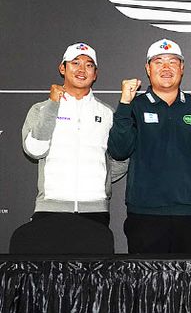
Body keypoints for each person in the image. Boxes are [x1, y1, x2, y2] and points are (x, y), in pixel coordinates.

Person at [108, 39, 191, 253]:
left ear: (182, 68)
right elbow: (119, 150)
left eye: (172, 62)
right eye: (158, 62)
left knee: (189, 276)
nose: (166, 67)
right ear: (148, 69)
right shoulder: (134, 106)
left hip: (190, 213)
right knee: (145, 276)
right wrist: (124, 105)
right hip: (145, 214)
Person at [22, 42, 127, 228]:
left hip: (96, 210)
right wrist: (53, 105)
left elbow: (122, 159)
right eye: (75, 63)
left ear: (95, 74)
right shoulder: (41, 109)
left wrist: (100, 180)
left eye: (89, 65)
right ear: (62, 68)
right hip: (50, 208)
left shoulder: (107, 113)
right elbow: (34, 150)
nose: (82, 70)